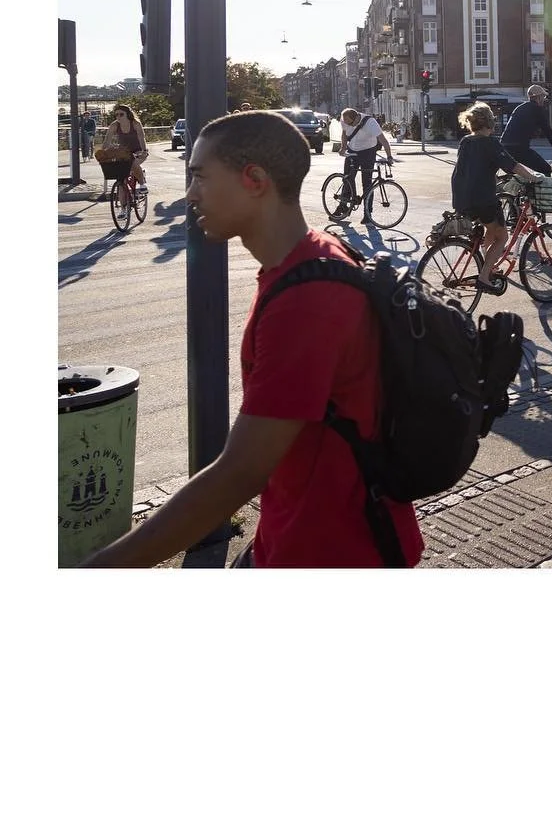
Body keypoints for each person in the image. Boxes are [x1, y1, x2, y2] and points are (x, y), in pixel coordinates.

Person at [84, 111, 424, 567]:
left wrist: (102, 569)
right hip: (294, 534)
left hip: (334, 551)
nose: (190, 194)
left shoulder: (308, 298)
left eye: (200, 176)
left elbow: (239, 474)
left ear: (254, 179)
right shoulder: (310, 259)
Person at [453, 103, 542, 292]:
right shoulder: (490, 143)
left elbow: (472, 167)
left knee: (490, 229)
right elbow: (513, 165)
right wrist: (533, 178)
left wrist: (493, 178)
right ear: (489, 123)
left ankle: (488, 264)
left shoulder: (466, 141)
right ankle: (484, 277)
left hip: (461, 198)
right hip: (482, 199)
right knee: (502, 236)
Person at [338, 107, 393, 224]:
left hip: (368, 151)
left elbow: (383, 139)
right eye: (346, 122)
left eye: (350, 123)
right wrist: (343, 147)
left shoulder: (370, 123)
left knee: (367, 182)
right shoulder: (344, 120)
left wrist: (389, 156)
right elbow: (344, 134)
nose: (349, 125)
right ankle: (343, 207)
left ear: (356, 118)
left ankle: (367, 213)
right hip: (352, 150)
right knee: (347, 179)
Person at [501, 83, 552, 175]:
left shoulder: (519, 108)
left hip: (504, 149)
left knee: (518, 176)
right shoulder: (537, 110)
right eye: (543, 97)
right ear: (538, 97)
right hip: (519, 149)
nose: (544, 99)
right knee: (546, 169)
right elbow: (549, 134)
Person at [100, 104, 149, 192]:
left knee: (133, 164)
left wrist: (144, 151)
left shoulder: (135, 123)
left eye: (121, 114)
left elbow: (142, 138)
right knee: (121, 179)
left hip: (138, 150)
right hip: (124, 152)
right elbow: (107, 140)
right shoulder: (114, 125)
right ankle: (123, 205)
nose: (118, 117)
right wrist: (102, 153)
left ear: (128, 114)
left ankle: (142, 184)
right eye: (116, 115)